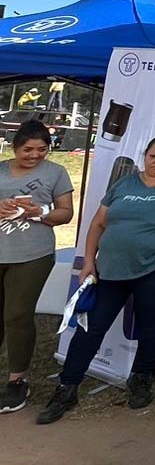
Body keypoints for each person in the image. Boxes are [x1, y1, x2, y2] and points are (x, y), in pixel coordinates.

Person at [38, 136, 155, 424]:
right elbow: (98, 223)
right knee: (92, 325)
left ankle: (141, 378)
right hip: (111, 269)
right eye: (153, 155)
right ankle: (68, 386)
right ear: (145, 155)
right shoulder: (124, 184)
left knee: (151, 324)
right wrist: (89, 261)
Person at [0, 121, 74, 413]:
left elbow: (65, 213)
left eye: (42, 149)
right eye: (27, 149)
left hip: (33, 254)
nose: (34, 155)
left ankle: (17, 380)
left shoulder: (55, 172)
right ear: (14, 147)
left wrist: (40, 212)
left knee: (17, 314)